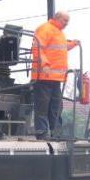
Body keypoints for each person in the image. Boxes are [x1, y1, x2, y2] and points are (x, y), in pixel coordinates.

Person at [31, 11, 80, 139]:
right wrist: (45, 65)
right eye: (65, 21)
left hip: (56, 79)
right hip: (43, 77)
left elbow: (59, 48)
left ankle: (56, 134)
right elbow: (38, 48)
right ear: (58, 18)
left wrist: (73, 44)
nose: (67, 24)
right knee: (42, 107)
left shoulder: (59, 33)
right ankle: (42, 134)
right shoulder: (44, 29)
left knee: (56, 107)